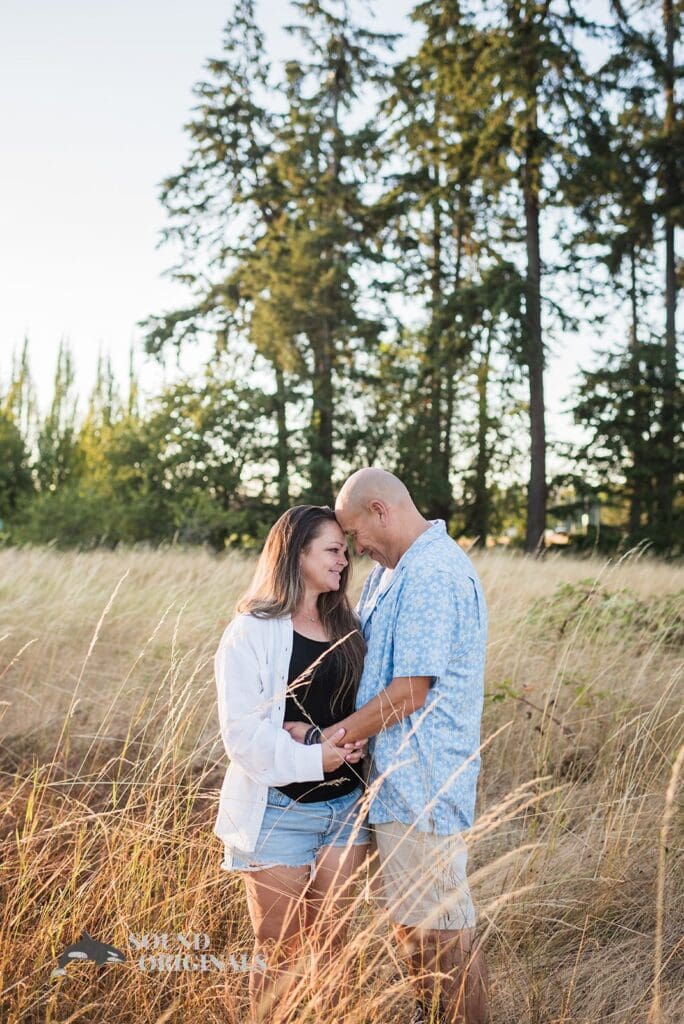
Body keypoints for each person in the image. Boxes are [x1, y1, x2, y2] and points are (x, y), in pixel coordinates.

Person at [290, 468, 490, 1024]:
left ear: (380, 511)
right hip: (389, 786)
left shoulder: (432, 573)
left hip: (422, 785)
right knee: (413, 929)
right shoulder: (392, 572)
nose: (355, 549)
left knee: (443, 938)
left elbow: (409, 691)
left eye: (356, 535)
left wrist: (333, 737)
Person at [213, 505, 370, 1024]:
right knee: (279, 950)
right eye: (332, 549)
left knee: (333, 947)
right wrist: (313, 754)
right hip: (278, 811)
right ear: (296, 553)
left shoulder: (348, 624)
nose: (344, 559)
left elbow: (352, 711)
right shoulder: (251, 630)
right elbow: (243, 736)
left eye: (345, 550)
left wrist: (341, 740)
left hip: (346, 808)